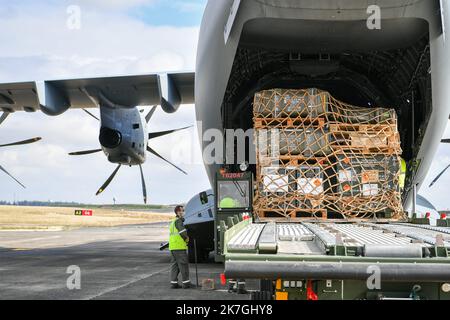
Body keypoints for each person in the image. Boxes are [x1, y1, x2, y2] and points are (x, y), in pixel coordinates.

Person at [169, 205, 191, 289]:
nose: (183, 212)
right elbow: (183, 233)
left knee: (175, 266)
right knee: (183, 265)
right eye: (182, 211)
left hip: (173, 247)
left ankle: (173, 283)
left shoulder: (173, 221)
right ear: (178, 212)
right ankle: (186, 284)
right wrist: (187, 239)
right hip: (179, 247)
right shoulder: (178, 221)